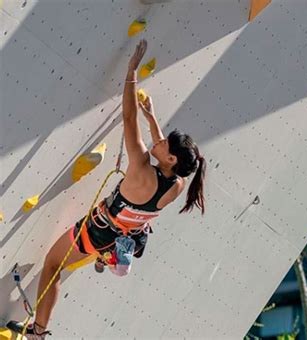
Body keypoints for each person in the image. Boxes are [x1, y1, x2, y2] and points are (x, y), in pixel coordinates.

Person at [7, 39, 206, 339]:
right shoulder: (177, 185)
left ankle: (38, 334)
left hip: (99, 230)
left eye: (164, 144)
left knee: (52, 264)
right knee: (66, 261)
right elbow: (160, 146)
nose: (159, 140)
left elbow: (128, 119)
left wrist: (131, 73)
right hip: (122, 235)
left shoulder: (140, 168)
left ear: (171, 158)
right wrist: (151, 116)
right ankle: (105, 260)